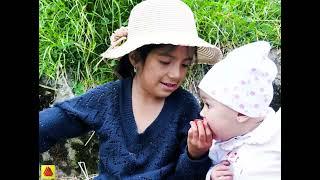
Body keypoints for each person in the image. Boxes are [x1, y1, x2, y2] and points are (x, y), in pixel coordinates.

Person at [39, 0, 223, 179]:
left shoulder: (186, 107)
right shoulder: (108, 98)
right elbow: (50, 124)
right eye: (165, 62)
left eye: (185, 64)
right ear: (135, 57)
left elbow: (188, 176)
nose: (176, 74)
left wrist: (195, 154)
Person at [188, 41, 281, 180]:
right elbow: (212, 165)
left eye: (208, 105)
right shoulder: (220, 144)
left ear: (241, 113)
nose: (202, 113)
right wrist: (211, 175)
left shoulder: (273, 135)